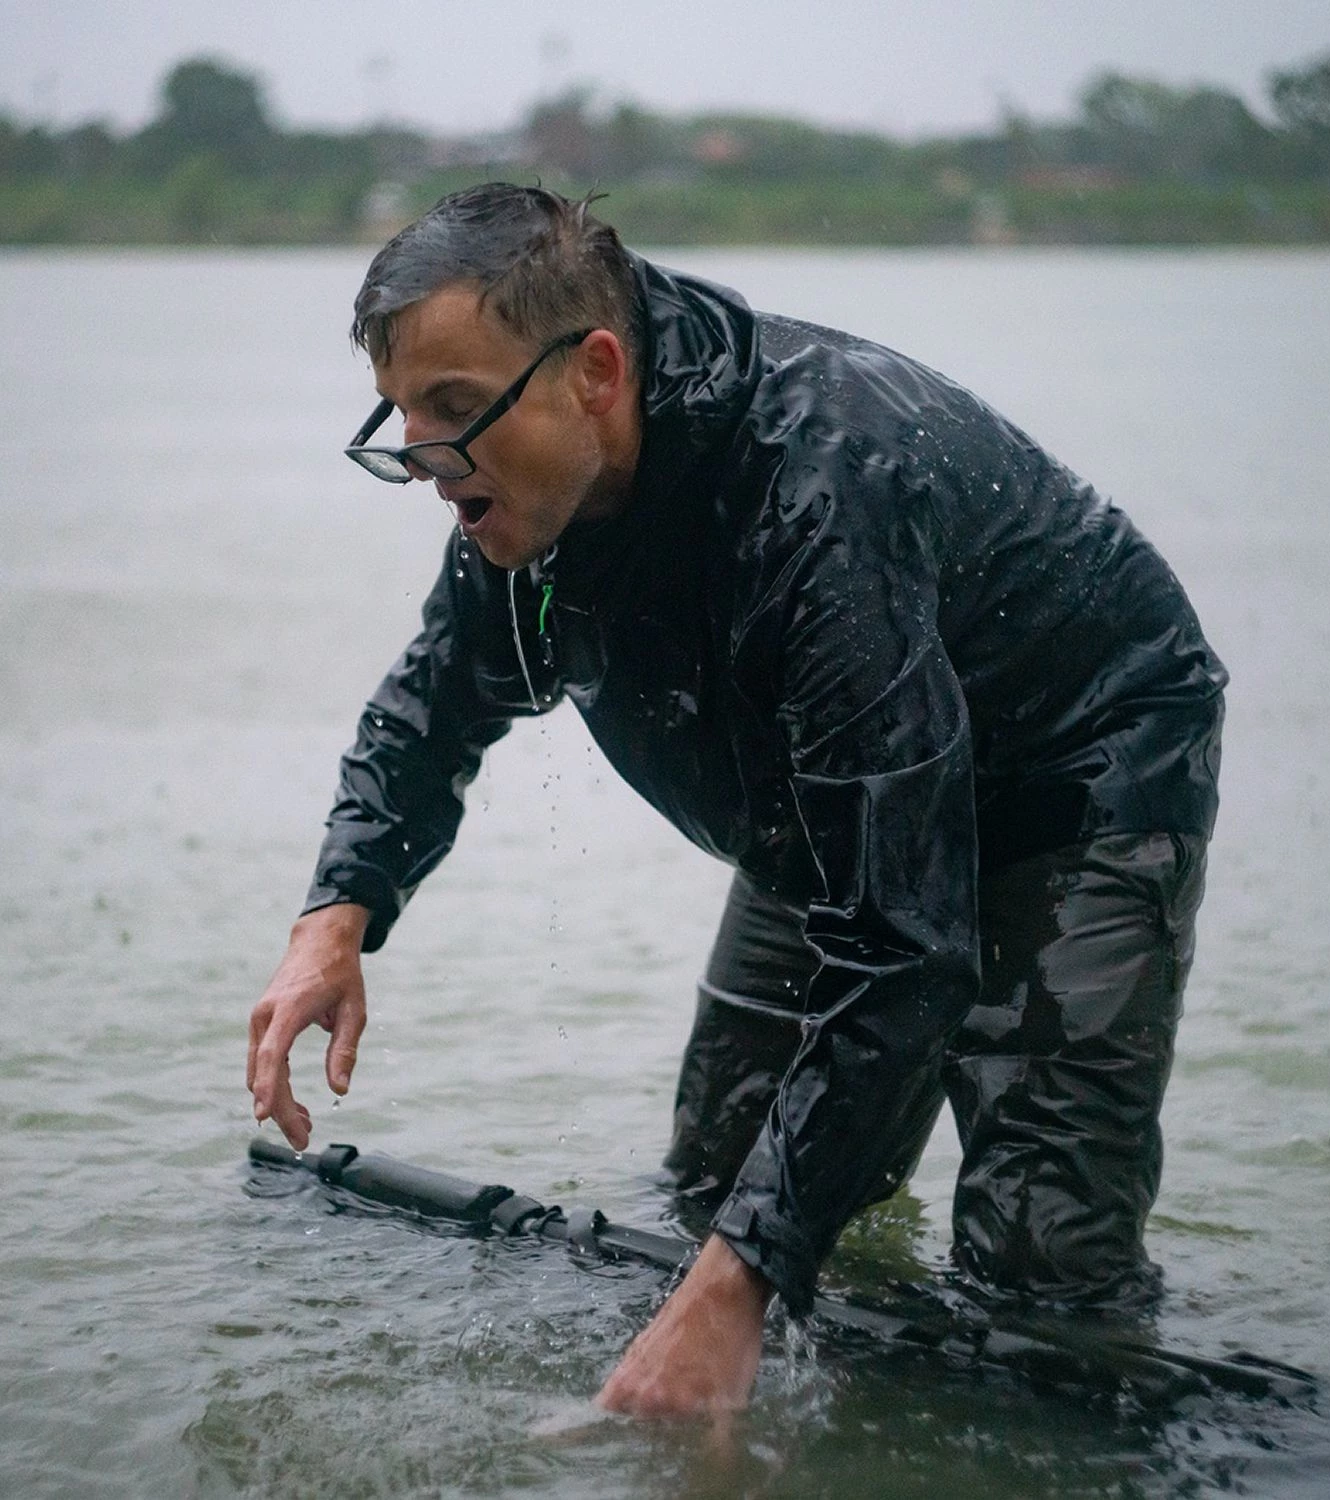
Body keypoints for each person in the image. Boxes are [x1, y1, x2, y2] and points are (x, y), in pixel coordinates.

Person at [246, 182, 1227, 1420]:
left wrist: (743, 1280)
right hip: (827, 801)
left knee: (1038, 1278)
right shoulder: (527, 505)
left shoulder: (821, 498)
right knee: (718, 1194)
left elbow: (907, 946)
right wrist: (336, 914)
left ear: (596, 372)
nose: (426, 463)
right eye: (402, 417)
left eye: (453, 410)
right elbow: (436, 701)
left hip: (1073, 767)